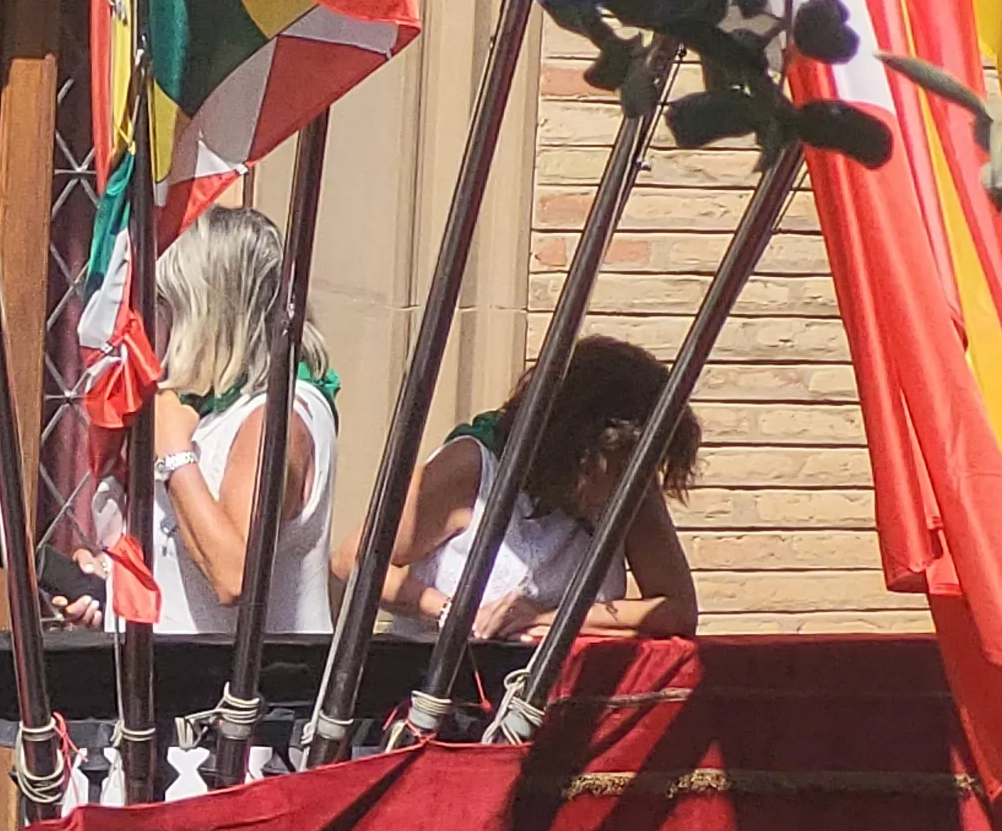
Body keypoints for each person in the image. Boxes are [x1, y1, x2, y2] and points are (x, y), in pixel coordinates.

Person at [371, 334, 703, 641]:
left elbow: (676, 609)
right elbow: (360, 561)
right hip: (441, 673)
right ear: (577, 442)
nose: (625, 482)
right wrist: (453, 611)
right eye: (616, 464)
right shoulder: (471, 465)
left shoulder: (631, 483)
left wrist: (546, 619)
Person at [138, 207, 339, 636]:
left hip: (243, 677)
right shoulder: (218, 408)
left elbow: (235, 575)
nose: (158, 321)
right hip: (180, 670)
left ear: (208, 311)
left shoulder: (274, 417)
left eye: (167, 303)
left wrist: (174, 455)